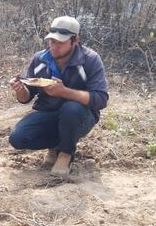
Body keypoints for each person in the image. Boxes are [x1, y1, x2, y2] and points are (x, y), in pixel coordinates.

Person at [8, 16, 109, 176]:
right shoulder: (40, 59)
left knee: (71, 109)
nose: (54, 47)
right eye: (51, 41)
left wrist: (64, 92)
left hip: (80, 116)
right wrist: (20, 90)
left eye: (60, 42)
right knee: (18, 137)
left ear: (75, 40)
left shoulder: (90, 60)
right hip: (49, 113)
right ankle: (56, 146)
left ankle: (66, 153)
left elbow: (101, 99)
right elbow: (26, 97)